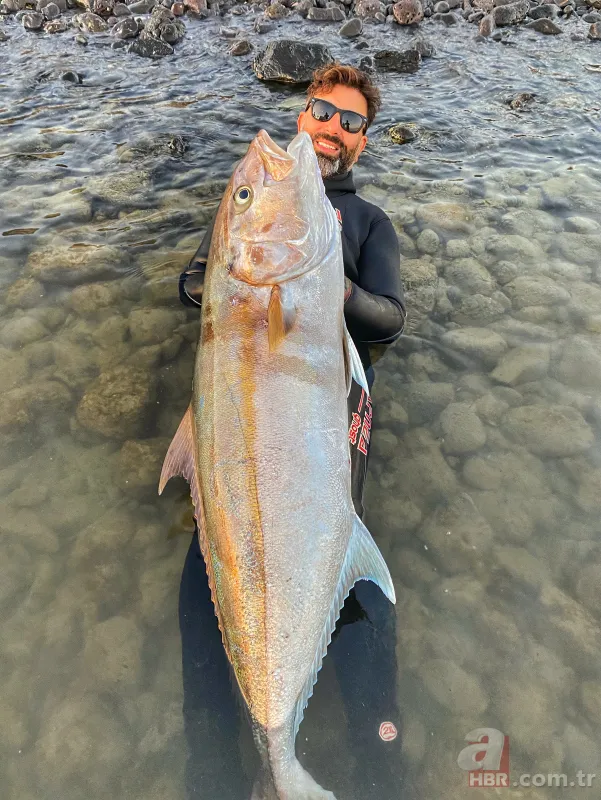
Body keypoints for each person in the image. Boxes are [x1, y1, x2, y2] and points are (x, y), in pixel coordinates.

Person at [177, 64, 406, 799]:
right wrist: (244, 265)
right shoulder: (264, 229)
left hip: (329, 487)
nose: (332, 130)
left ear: (362, 143)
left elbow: (389, 319)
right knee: (206, 699)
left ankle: (364, 776)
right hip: (236, 486)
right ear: (302, 114)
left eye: (352, 122)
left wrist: (323, 281)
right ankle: (251, 770)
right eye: (322, 112)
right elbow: (195, 283)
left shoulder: (366, 223)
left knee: (375, 701)